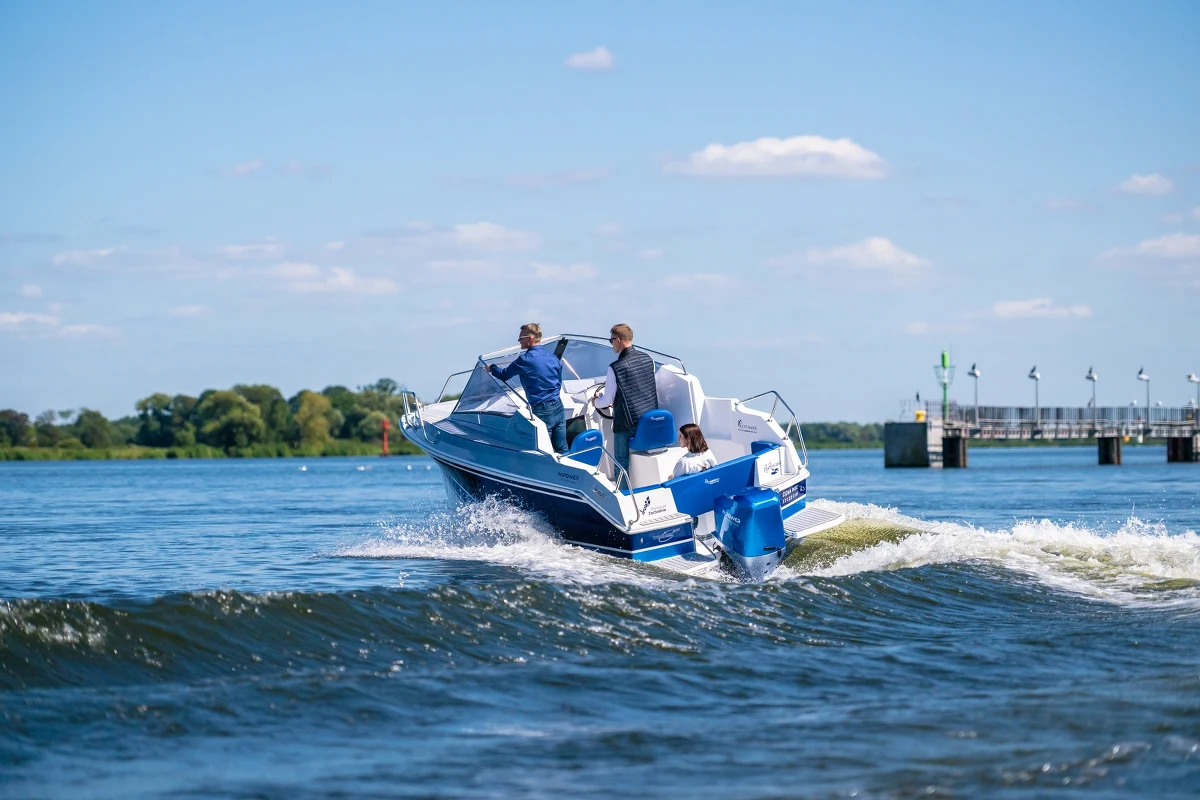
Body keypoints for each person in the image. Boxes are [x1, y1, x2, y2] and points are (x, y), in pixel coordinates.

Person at [590, 323, 658, 477]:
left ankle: (621, 490)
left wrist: (595, 402)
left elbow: (607, 401)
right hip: (650, 419)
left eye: (611, 340)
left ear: (618, 340)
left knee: (620, 460)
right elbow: (641, 384)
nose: (611, 343)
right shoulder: (649, 359)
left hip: (629, 424)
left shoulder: (615, 367)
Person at [488, 323, 568, 454]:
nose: (518, 340)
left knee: (544, 452)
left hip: (541, 410)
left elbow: (503, 375)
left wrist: (492, 368)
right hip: (558, 405)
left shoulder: (524, 360)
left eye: (521, 338)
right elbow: (559, 381)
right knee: (562, 449)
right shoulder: (552, 358)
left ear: (529, 338)